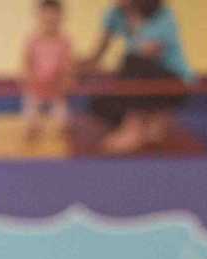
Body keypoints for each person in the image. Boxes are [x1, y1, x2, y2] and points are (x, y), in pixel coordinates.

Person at [83, 0, 193, 154]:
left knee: (132, 60)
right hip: (141, 80)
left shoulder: (163, 15)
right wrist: (75, 66)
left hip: (173, 83)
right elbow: (98, 54)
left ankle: (134, 128)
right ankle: (152, 121)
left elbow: (147, 52)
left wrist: (133, 16)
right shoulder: (115, 13)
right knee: (99, 104)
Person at [21, 0, 75, 145]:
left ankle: (63, 126)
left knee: (61, 111)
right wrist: (28, 77)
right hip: (37, 85)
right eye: (46, 20)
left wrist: (67, 79)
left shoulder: (64, 41)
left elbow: (68, 64)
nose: (50, 23)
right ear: (38, 18)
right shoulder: (32, 40)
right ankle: (32, 126)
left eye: (54, 20)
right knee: (30, 104)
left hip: (56, 86)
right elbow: (27, 62)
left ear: (61, 19)